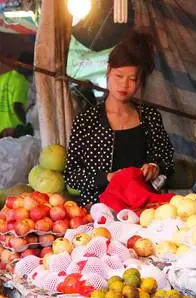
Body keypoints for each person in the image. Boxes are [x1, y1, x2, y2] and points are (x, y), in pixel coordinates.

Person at [64, 31, 174, 205]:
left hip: (143, 208)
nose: (124, 84)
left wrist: (155, 167)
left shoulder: (150, 117)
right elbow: (72, 176)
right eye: (119, 76)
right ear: (108, 72)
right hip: (97, 209)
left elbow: (167, 160)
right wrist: (107, 177)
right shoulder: (86, 121)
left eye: (132, 79)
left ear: (140, 82)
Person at [0, 52, 33, 138]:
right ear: (26, 66)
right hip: (12, 129)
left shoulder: (4, 77)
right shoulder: (21, 81)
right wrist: (26, 124)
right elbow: (17, 106)